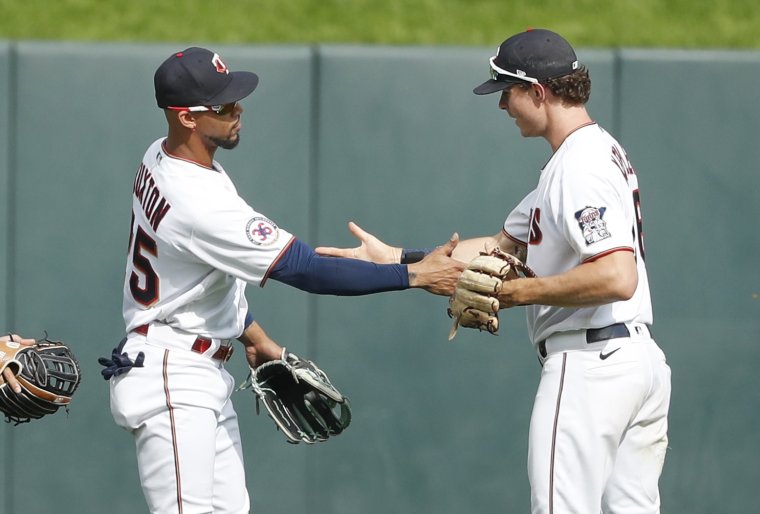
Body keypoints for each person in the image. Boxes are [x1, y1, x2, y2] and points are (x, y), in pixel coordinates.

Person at [317, 29, 671, 514]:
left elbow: (616, 276)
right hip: (634, 364)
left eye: (507, 91)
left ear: (538, 92)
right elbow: (499, 247)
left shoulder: (579, 167)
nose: (502, 104)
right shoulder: (583, 156)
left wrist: (516, 294)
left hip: (592, 366)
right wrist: (397, 257)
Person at [106, 46, 465, 514]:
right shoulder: (198, 202)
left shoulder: (161, 154)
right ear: (186, 117)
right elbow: (307, 269)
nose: (238, 111)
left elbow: (196, 280)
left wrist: (254, 337)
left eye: (235, 99)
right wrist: (413, 275)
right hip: (173, 377)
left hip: (191, 365)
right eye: (223, 106)